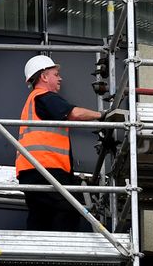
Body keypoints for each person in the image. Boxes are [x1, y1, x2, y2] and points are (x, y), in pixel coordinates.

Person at [16, 55, 102, 233]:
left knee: (40, 216)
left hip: (31, 171)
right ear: (44, 77)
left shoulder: (33, 101)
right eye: (55, 74)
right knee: (69, 207)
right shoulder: (44, 97)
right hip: (46, 168)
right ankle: (64, 251)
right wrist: (103, 116)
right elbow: (75, 114)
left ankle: (38, 253)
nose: (60, 78)